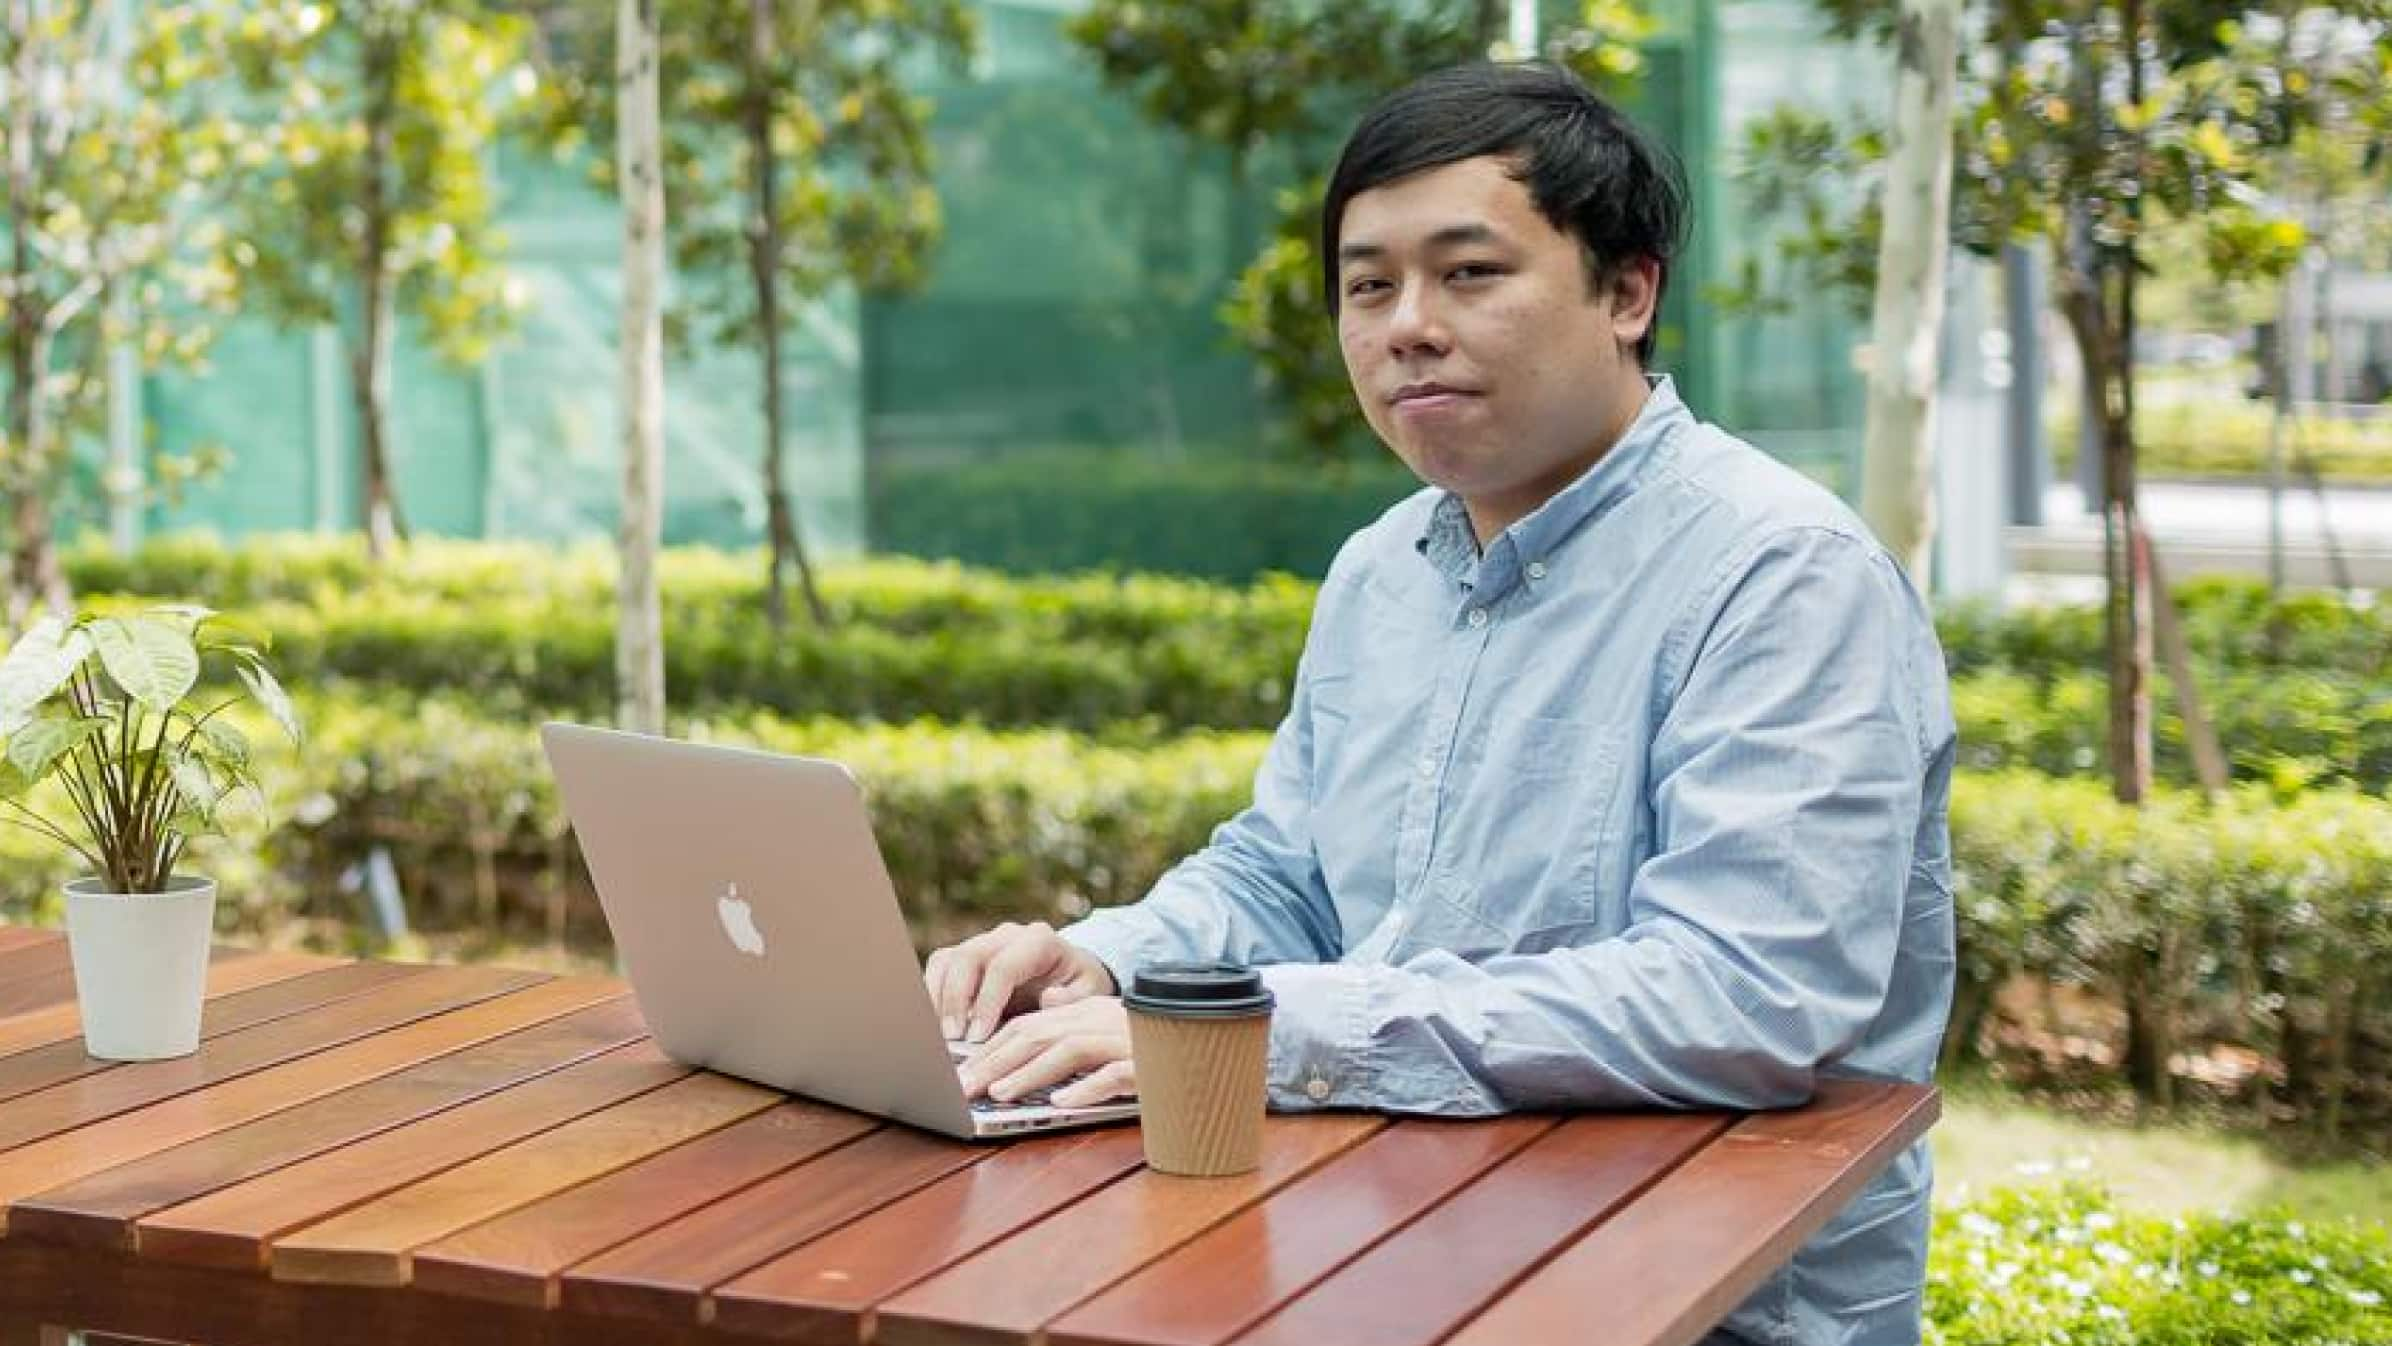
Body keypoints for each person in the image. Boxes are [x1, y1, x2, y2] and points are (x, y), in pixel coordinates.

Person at [922, 60, 1955, 1346]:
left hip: (1688, 1300)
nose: (1407, 323)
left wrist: (1265, 1031)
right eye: (1369, 285)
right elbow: (1292, 874)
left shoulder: (1782, 573)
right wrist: (1111, 957)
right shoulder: (1382, 567)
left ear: (1627, 291)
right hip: (1380, 1241)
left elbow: (1746, 997)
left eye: (1469, 273)